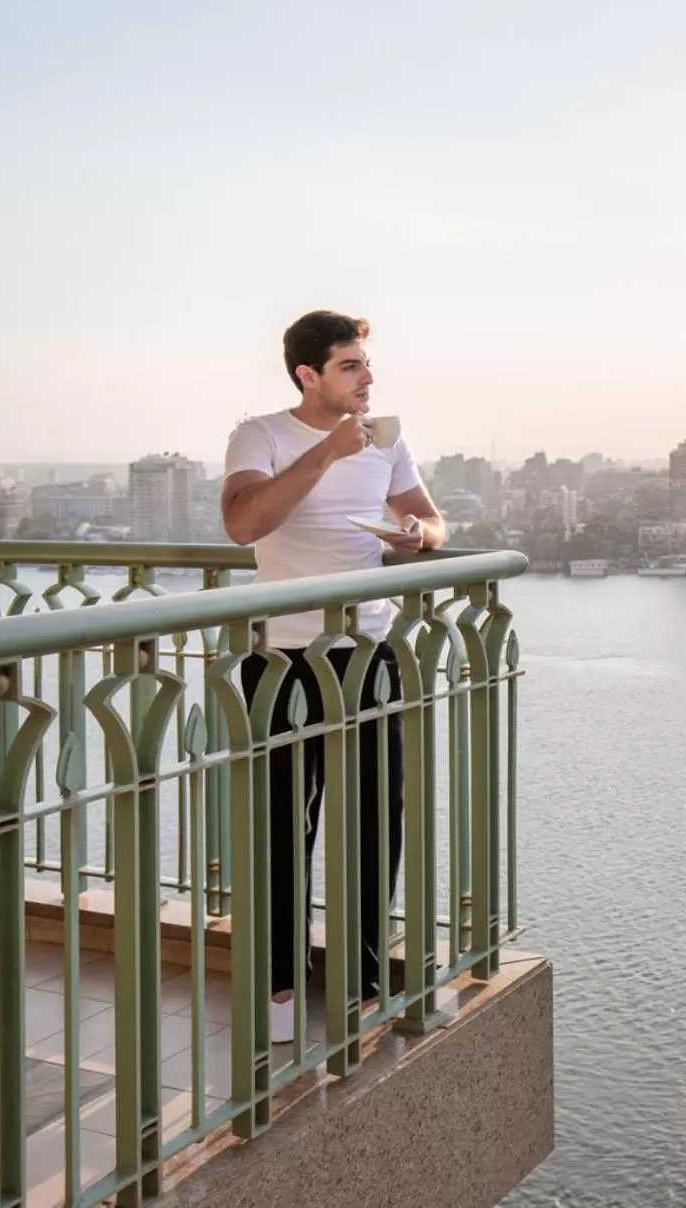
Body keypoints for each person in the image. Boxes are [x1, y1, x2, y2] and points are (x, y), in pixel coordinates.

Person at [221, 309, 445, 1043]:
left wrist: (416, 537)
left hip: (367, 654)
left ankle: (363, 978)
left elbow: (432, 521)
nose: (367, 377)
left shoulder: (388, 440)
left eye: (367, 364)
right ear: (308, 374)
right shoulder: (260, 435)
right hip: (281, 659)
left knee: (377, 820)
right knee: (284, 826)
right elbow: (243, 525)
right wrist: (327, 452)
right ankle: (280, 990)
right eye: (350, 366)